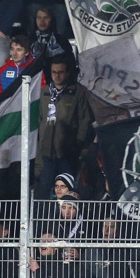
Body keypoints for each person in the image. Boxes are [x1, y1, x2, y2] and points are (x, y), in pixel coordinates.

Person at [36, 57, 94, 199]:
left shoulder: (76, 92)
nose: (57, 75)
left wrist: (78, 143)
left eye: (60, 72)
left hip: (67, 151)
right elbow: (38, 119)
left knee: (67, 189)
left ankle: (67, 218)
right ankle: (42, 219)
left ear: (67, 73)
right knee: (44, 187)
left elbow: (84, 119)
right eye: (54, 72)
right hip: (46, 151)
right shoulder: (43, 92)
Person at [0, 34, 37, 99]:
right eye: (12, 49)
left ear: (26, 52)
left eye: (19, 50)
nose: (14, 53)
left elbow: (39, 93)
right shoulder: (2, 71)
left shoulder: (34, 69)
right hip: (8, 108)